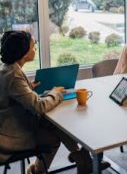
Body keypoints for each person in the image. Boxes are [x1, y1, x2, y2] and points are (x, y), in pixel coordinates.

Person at [0, 31, 109, 174]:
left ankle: (82, 159)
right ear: (24, 52)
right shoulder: (14, 75)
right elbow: (39, 106)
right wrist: (55, 93)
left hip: (10, 125)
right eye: (33, 47)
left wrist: (29, 87)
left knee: (57, 123)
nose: (35, 49)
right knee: (55, 132)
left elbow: (13, 92)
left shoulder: (7, 67)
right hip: (15, 137)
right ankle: (43, 169)